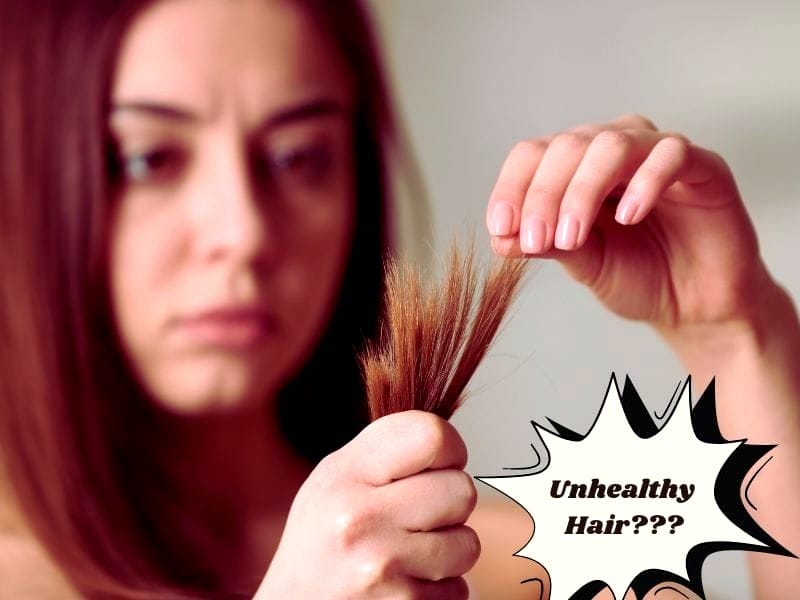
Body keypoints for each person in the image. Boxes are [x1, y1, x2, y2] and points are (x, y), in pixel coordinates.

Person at [0, 0, 797, 598]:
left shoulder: (496, 563)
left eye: (298, 156)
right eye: (148, 160)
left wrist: (735, 333)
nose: (242, 231)